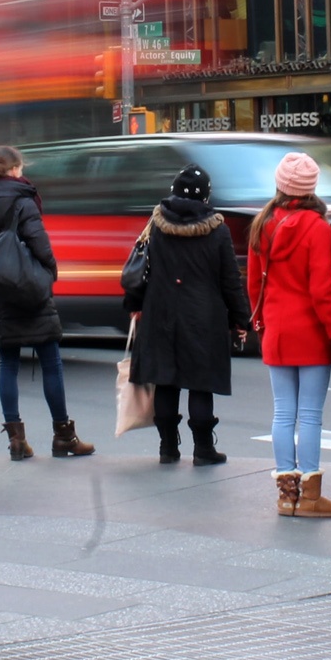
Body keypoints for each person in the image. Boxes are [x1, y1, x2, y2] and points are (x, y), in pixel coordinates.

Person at [0, 145, 94, 461]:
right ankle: (64, 436)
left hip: (1, 289)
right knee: (50, 360)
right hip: (31, 288)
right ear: (14, 169)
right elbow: (40, 244)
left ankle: (16, 442)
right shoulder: (24, 200)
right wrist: (49, 273)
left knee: (7, 363)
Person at [126, 163, 251, 466]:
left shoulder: (155, 224)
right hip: (203, 315)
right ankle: (203, 449)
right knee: (200, 382)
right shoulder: (217, 230)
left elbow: (140, 267)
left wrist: (134, 305)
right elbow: (229, 280)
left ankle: (168, 448)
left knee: (166, 380)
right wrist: (241, 319)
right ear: (206, 195)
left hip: (160, 311)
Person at [246, 153, 331, 518]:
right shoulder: (318, 228)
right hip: (311, 331)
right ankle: (309, 496)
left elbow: (254, 283)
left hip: (276, 329)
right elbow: (322, 290)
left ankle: (285, 496)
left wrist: (261, 324)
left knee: (283, 413)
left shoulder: (262, 224)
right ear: (311, 188)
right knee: (310, 416)